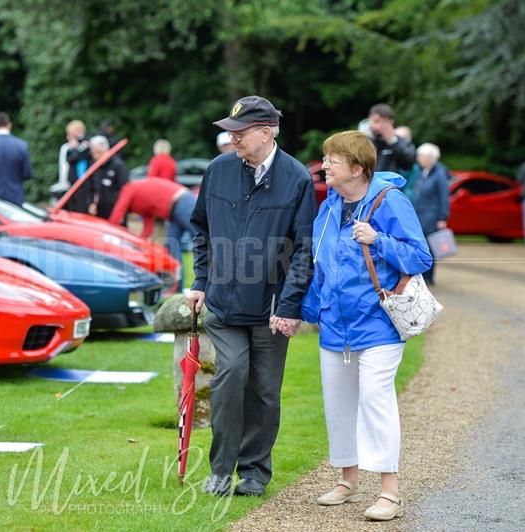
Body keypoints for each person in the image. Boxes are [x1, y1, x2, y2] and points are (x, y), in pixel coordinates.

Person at [188, 95, 316, 497]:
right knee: (230, 376)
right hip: (224, 303)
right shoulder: (219, 169)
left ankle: (256, 472)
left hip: (271, 308)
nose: (232, 139)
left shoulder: (297, 178)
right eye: (231, 133)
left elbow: (303, 248)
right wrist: (200, 281)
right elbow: (200, 229)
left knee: (264, 391)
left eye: (239, 133)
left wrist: (291, 305)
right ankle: (221, 469)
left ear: (267, 132)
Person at [301, 130, 432, 521]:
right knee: (339, 405)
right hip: (335, 326)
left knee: (375, 399)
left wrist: (377, 240)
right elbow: (320, 268)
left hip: (378, 323)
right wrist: (307, 312)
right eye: (326, 159)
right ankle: (348, 480)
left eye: (332, 160)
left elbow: (420, 256)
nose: (324, 165)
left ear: (357, 168)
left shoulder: (390, 201)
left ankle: (389, 491)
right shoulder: (328, 206)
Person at [108, 177, 195, 291]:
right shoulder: (140, 202)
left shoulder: (128, 189)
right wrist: (139, 244)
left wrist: (108, 232)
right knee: (172, 247)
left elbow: (117, 214)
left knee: (204, 241)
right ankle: (177, 289)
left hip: (182, 202)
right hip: (174, 211)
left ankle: (216, 285)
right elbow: (148, 225)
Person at [411, 143, 450, 284]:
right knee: (421, 246)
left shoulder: (439, 173)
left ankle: (429, 276)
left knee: (429, 247)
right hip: (420, 216)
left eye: (420, 156)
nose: (418, 158)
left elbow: (444, 197)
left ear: (429, 157)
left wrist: (442, 217)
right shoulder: (423, 172)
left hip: (431, 217)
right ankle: (422, 274)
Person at [87, 135, 128, 220]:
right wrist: (91, 203)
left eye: (99, 153)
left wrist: (121, 211)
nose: (97, 157)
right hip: (100, 211)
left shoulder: (118, 165)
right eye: (94, 153)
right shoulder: (93, 165)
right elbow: (91, 188)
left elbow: (125, 190)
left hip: (116, 210)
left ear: (106, 150)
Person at [368, 104, 416, 174]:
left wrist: (393, 141)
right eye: (376, 121)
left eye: (383, 122)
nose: (378, 126)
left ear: (391, 122)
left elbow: (409, 164)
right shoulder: (366, 142)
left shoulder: (402, 142)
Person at [65, 123, 93, 213]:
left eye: (71, 133)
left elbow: (77, 156)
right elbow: (68, 159)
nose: (70, 136)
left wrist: (75, 148)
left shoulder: (87, 141)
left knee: (82, 207)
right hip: (73, 180)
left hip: (84, 181)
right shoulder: (73, 144)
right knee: (73, 206)